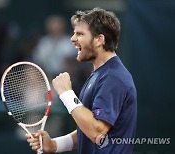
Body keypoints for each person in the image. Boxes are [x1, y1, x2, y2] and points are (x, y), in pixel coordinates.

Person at [26, 7, 137, 154]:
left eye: (79, 34)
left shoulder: (113, 77)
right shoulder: (99, 74)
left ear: (99, 40)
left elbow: (97, 132)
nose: (72, 39)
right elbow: (87, 129)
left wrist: (66, 93)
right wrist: (54, 145)